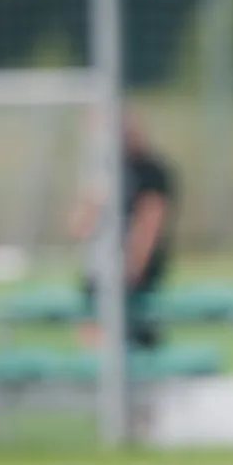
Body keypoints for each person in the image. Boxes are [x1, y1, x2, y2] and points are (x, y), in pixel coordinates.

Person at [73, 111, 176, 348]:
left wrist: (132, 270)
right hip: (100, 268)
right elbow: (79, 227)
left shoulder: (150, 171)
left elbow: (149, 224)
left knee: (135, 337)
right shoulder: (104, 174)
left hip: (130, 273)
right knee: (95, 336)